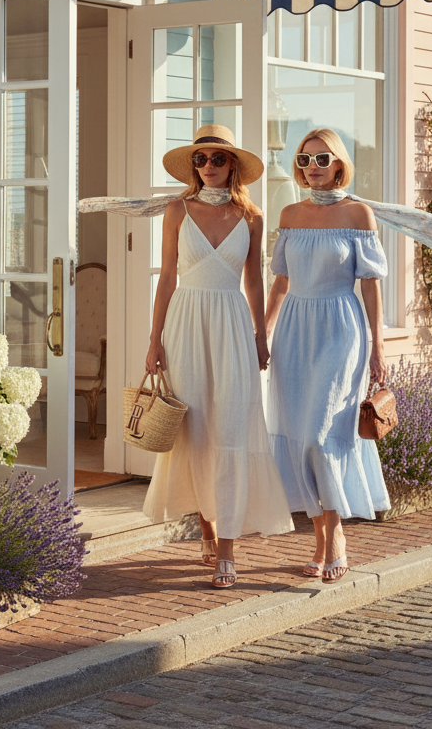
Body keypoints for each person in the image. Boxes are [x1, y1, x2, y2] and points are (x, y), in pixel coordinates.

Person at [143, 124, 293, 588]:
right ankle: (208, 532)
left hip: (232, 325)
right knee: (196, 428)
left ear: (233, 167)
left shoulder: (251, 216)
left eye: (218, 159)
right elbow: (167, 277)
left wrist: (261, 335)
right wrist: (154, 340)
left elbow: (254, 282)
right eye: (201, 159)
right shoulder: (175, 210)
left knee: (230, 428)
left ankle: (227, 549)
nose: (208, 166)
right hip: (185, 323)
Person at [264, 128, 391, 583]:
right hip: (295, 331)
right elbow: (280, 280)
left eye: (322, 159)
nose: (312, 167)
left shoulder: (359, 214)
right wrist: (264, 330)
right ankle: (318, 538)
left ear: (339, 163)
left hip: (342, 328)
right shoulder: (290, 213)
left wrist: (378, 345)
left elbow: (372, 285)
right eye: (305, 159)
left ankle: (336, 536)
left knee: (322, 436)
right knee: (299, 439)